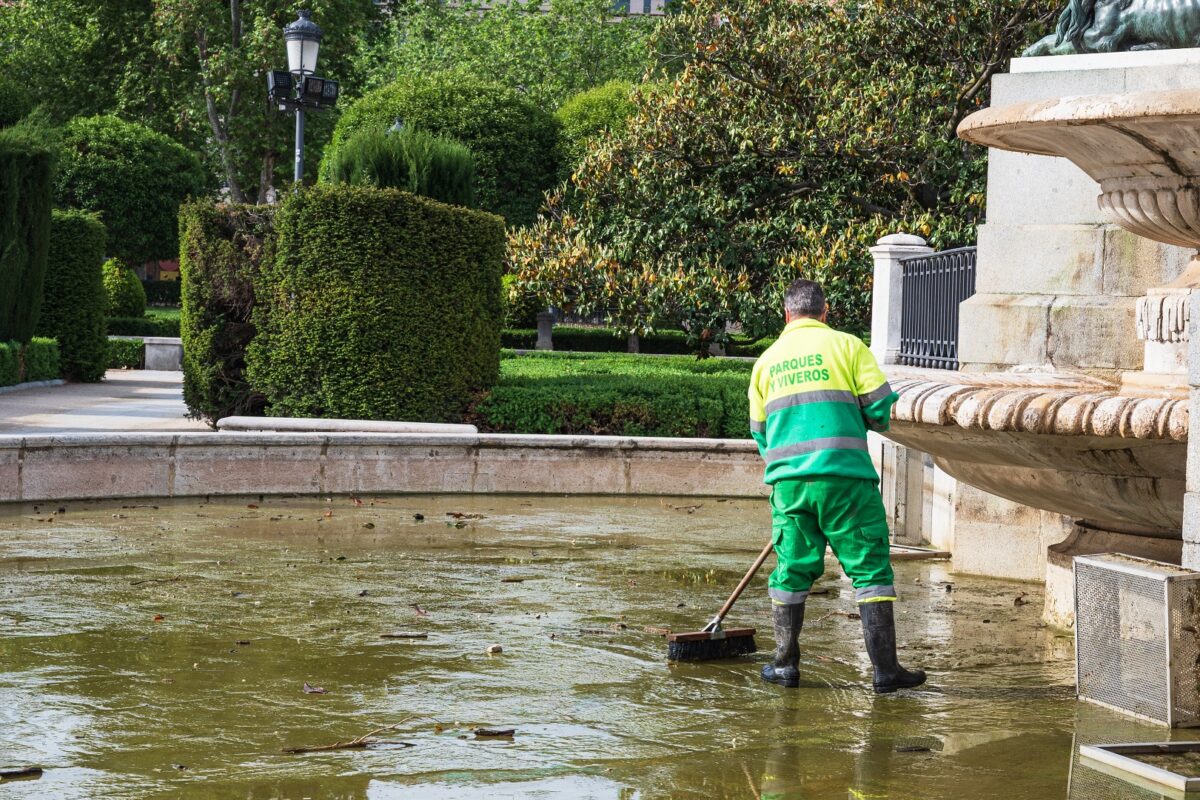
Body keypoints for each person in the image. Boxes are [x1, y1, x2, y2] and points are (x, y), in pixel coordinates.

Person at [747, 278, 925, 693]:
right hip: (846, 480)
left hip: (790, 486)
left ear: (786, 314)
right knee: (870, 572)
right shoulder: (847, 347)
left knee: (791, 572)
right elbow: (880, 408)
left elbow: (760, 434)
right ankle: (885, 672)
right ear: (824, 313)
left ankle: (785, 666)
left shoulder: (766, 362)